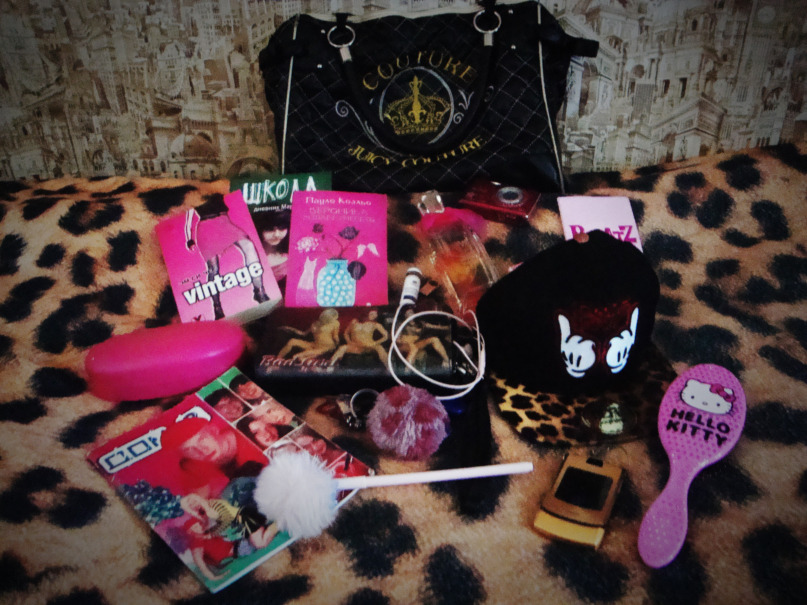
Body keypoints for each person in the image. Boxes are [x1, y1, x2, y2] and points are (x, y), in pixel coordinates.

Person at [185, 194, 270, 319]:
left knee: (248, 245)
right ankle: (217, 308)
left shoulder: (217, 187)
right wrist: (189, 239)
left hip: (224, 222)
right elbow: (188, 215)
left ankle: (259, 291)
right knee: (213, 269)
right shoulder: (193, 194)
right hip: (206, 227)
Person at [160, 417, 266, 498]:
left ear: (213, 431)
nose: (202, 451)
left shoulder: (248, 437)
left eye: (202, 439)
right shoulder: (194, 467)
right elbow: (201, 502)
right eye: (189, 450)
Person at [255, 209, 290, 283]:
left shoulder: (290, 256)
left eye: (281, 228)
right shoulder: (249, 255)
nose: (277, 234)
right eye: (270, 229)